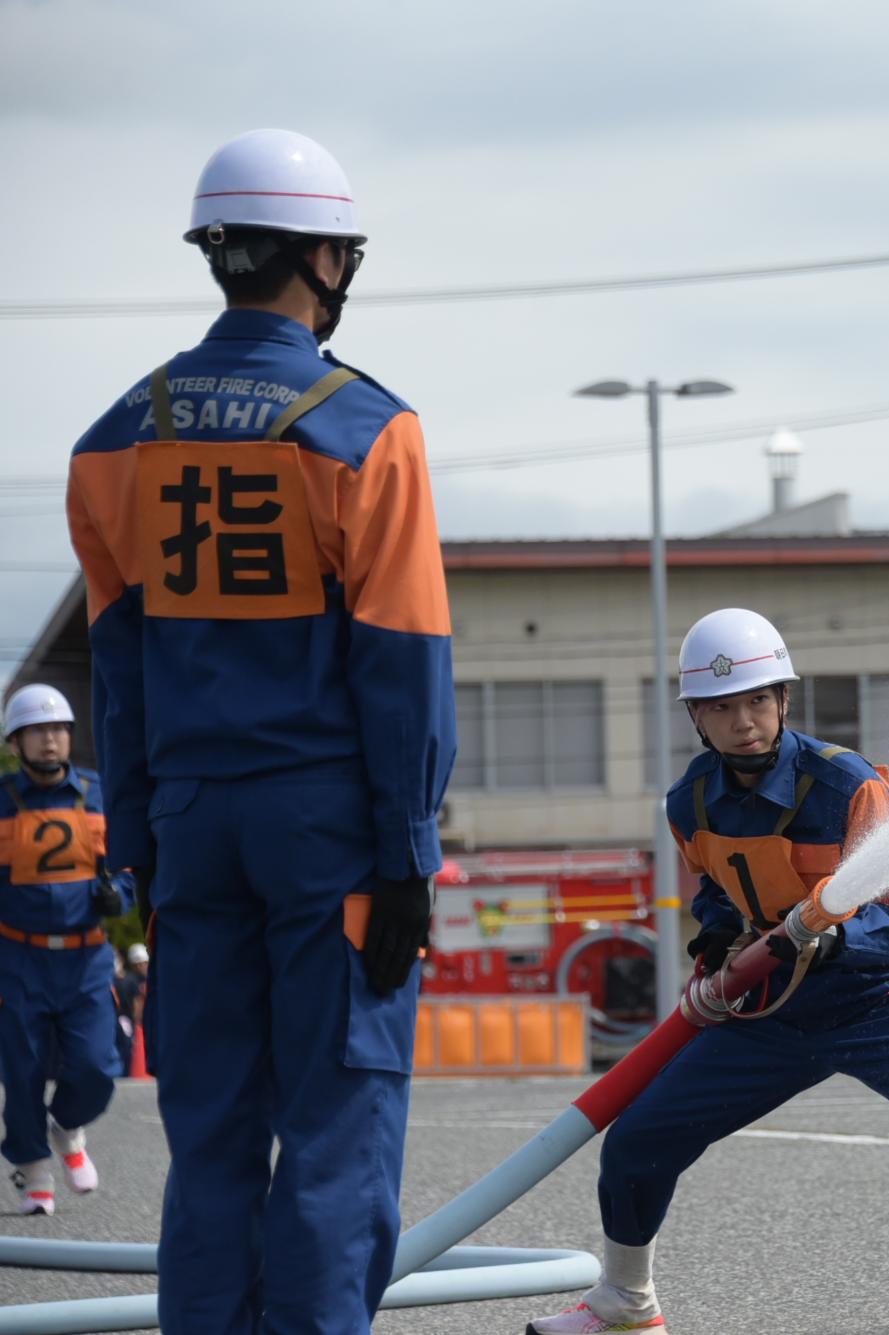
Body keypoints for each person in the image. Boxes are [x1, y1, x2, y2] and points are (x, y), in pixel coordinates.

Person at [65, 129, 454, 1332]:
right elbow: (401, 667)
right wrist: (407, 854)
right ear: (324, 260)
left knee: (213, 1139)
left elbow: (115, 670)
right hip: (327, 832)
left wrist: (133, 840)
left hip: (189, 828)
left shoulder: (113, 440)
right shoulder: (367, 432)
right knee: (336, 1137)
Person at [531, 608, 889, 1334]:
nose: (741, 721)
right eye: (720, 707)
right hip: (770, 1010)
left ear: (783, 701)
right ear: (695, 718)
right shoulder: (689, 802)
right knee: (638, 1138)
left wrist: (827, 942)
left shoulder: (847, 784)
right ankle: (626, 1301)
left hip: (875, 997)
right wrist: (715, 946)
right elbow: (715, 890)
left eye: (755, 701)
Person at [0, 685, 130, 1215]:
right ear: (17, 741)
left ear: (70, 736)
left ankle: (68, 1126)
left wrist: (117, 896)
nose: (48, 740)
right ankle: (33, 1173)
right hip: (18, 960)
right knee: (23, 1070)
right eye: (36, 731)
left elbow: (128, 871)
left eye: (56, 730)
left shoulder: (100, 795)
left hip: (85, 958)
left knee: (97, 1067)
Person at [114, 943, 149, 1076]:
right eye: (140, 963)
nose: (143, 966)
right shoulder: (131, 980)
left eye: (145, 963)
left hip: (133, 1020)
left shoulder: (147, 978)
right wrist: (137, 1021)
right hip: (128, 1020)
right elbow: (136, 1004)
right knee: (127, 1049)